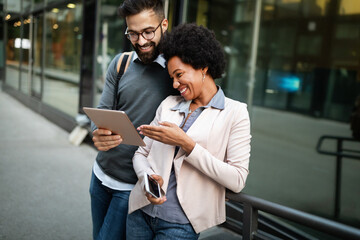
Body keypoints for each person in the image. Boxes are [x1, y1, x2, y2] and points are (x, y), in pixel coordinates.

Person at [126, 23, 251, 239]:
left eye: (179, 75)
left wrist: (187, 144)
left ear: (203, 67)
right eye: (171, 77)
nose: (174, 84)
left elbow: (237, 179)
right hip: (141, 212)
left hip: (180, 225)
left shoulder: (235, 113)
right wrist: (147, 178)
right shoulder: (168, 105)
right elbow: (140, 154)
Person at [89, 0, 177, 239]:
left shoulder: (177, 75)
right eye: (133, 34)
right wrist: (97, 133)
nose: (141, 41)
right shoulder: (121, 63)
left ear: (164, 24)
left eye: (148, 32)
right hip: (100, 175)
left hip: (133, 186)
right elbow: (101, 113)